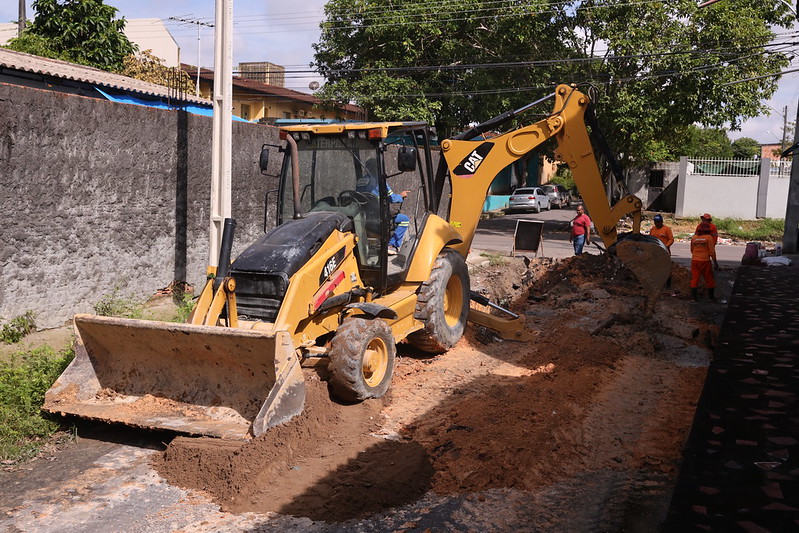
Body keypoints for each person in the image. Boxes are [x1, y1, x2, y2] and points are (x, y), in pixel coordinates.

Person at [358, 158, 410, 255]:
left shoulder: (361, 181)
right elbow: (392, 198)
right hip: (378, 216)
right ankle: (391, 245)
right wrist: (401, 196)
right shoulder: (380, 181)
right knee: (404, 219)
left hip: (364, 215)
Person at [690, 221, 719, 301]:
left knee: (694, 279)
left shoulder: (694, 238)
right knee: (709, 278)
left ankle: (693, 298)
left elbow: (692, 250)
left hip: (695, 260)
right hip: (705, 261)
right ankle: (711, 298)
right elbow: (712, 252)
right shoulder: (708, 238)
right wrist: (715, 262)